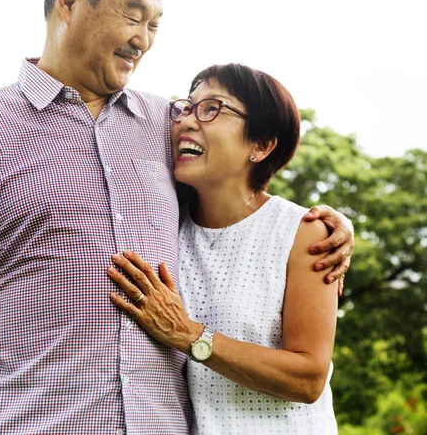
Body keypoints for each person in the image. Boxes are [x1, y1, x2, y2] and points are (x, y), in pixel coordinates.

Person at [0, 0, 353, 435]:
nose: (143, 39)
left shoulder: (171, 126)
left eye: (155, 24)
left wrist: (330, 224)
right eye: (133, 15)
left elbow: (237, 198)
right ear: (68, 0)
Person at [106, 63, 339, 433]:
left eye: (212, 109)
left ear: (261, 146)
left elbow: (308, 378)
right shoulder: (165, 227)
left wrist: (190, 335)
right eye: (187, 107)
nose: (186, 121)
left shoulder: (305, 233)